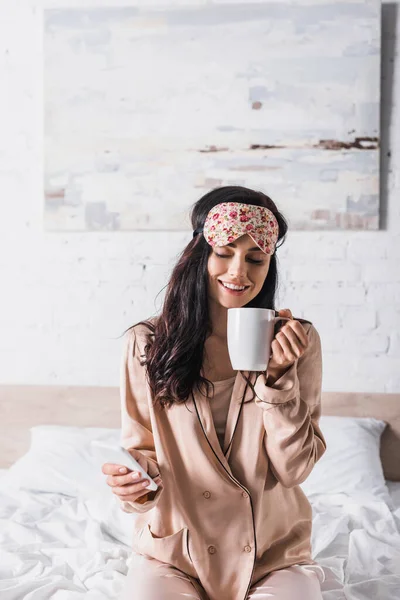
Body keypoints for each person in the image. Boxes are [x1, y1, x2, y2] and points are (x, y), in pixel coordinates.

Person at [102, 185, 327, 600]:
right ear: (198, 254)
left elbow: (294, 470)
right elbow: (144, 452)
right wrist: (134, 486)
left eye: (256, 258)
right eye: (224, 252)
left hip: (273, 550)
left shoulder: (297, 342)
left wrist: (277, 380)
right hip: (175, 550)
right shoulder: (147, 343)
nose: (239, 272)